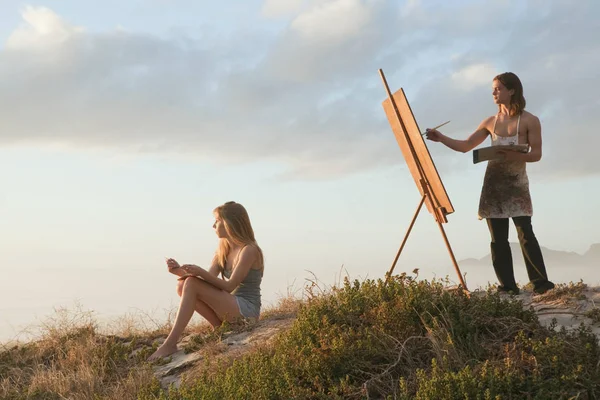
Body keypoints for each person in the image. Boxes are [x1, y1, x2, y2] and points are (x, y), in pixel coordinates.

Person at [425, 72, 555, 295]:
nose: (494, 92)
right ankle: (507, 287)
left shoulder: (529, 120)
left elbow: (537, 155)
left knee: (525, 233)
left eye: (498, 88)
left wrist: (513, 155)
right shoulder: (489, 122)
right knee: (498, 239)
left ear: (511, 90)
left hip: (516, 184)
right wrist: (441, 138)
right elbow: (466, 146)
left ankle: (541, 284)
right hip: (493, 185)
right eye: (493, 89)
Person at [148, 201, 264, 360]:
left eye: (217, 221)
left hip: (247, 310)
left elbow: (229, 286)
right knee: (182, 285)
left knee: (190, 284)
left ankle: (170, 344)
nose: (213, 225)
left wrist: (199, 272)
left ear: (229, 223)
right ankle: (218, 326)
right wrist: (178, 271)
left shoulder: (249, 250)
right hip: (231, 305)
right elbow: (207, 280)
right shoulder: (224, 249)